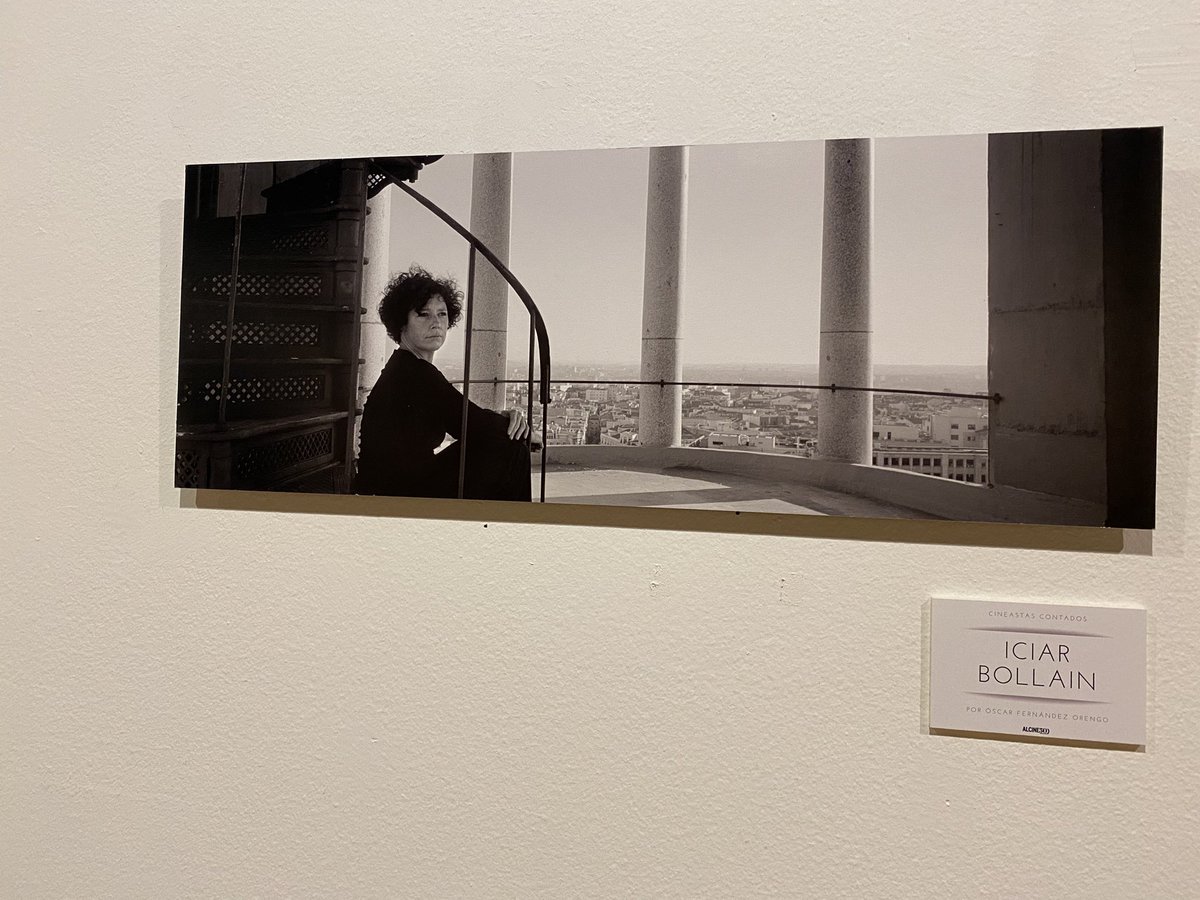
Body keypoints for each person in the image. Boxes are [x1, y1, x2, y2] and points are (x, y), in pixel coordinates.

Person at [355, 266, 532, 500]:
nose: (436, 323)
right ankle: (518, 530)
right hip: (399, 496)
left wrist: (503, 419)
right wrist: (520, 429)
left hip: (398, 487)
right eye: (424, 314)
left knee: (507, 439)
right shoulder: (416, 373)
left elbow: (465, 417)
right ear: (401, 323)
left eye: (442, 314)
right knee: (511, 443)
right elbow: (472, 424)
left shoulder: (406, 366)